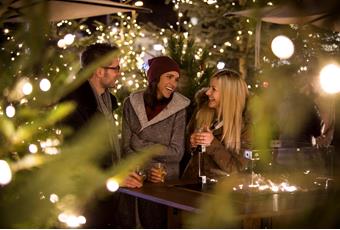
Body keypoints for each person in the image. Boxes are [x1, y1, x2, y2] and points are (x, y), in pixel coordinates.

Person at [61, 43, 142, 228]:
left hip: (107, 197)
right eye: (115, 68)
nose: (119, 72)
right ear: (99, 71)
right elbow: (75, 157)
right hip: (85, 203)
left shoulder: (107, 100)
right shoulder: (74, 104)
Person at [121, 55, 190, 228]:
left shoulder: (179, 108)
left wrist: (140, 145)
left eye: (176, 79)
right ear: (155, 77)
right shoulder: (131, 103)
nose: (173, 83)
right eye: (169, 77)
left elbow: (176, 153)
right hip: (136, 180)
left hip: (165, 183)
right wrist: (142, 172)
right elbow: (126, 147)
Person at [183, 69, 251, 179]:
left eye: (213, 89)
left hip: (219, 191)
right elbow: (186, 148)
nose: (207, 92)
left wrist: (212, 144)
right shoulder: (202, 112)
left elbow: (237, 169)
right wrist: (192, 142)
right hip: (191, 183)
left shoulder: (245, 128)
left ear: (228, 94)